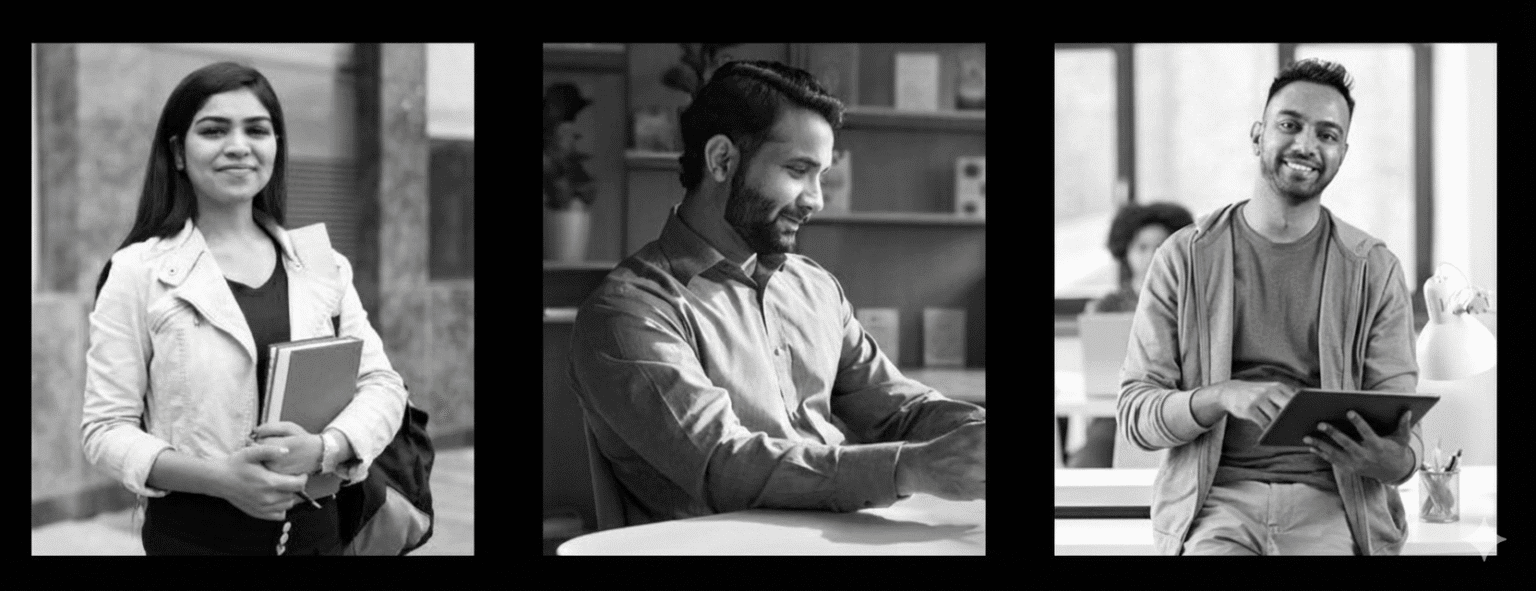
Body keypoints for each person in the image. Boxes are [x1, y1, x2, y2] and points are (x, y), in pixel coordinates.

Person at [568, 61, 986, 527]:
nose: (816, 199)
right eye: (798, 170)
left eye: (821, 175)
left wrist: (973, 433)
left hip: (837, 537)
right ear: (722, 160)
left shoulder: (815, 288)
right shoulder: (630, 311)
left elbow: (899, 410)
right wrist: (908, 467)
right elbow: (724, 464)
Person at [82, 62, 408, 555]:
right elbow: (105, 429)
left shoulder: (321, 263)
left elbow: (383, 386)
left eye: (257, 130)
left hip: (316, 533)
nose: (238, 146)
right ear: (177, 151)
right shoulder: (138, 271)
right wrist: (220, 479)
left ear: (275, 146)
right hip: (192, 537)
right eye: (214, 130)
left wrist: (326, 448)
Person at [1118, 58, 1422, 555]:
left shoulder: (1374, 269)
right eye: (1290, 125)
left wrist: (1395, 462)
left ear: (1342, 153)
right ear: (1258, 134)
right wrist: (1220, 396)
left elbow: (1403, 442)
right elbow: (1136, 416)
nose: (1306, 145)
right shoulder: (1182, 258)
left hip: (1333, 507)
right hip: (1215, 507)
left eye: (1327, 134)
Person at [1069, 201, 1193, 468]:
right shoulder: (1106, 306)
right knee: (1087, 463)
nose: (1151, 255)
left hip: (1171, 409)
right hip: (1113, 413)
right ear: (1125, 251)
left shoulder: (1190, 305)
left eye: (1160, 246)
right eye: (1142, 247)